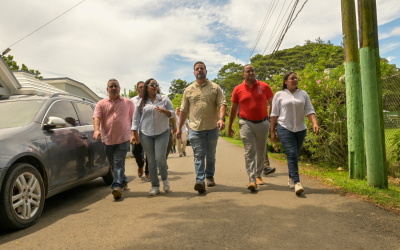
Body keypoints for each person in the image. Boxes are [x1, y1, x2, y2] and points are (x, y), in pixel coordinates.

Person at [176, 61, 227, 193]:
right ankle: (200, 180)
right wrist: (178, 128)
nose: (199, 70)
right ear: (194, 72)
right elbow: (183, 110)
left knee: (210, 155)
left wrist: (221, 119)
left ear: (206, 71)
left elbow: (222, 103)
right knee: (199, 155)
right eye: (197, 69)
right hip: (195, 129)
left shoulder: (215, 87)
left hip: (212, 128)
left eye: (202, 68)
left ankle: (209, 176)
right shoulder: (188, 90)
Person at [270, 71, 319, 195]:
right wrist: (272, 132)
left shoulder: (303, 94)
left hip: (301, 129)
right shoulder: (279, 94)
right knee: (292, 154)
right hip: (284, 127)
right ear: (285, 81)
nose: (295, 80)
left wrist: (314, 123)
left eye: (296, 78)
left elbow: (309, 110)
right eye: (292, 78)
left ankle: (291, 177)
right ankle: (297, 182)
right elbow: (274, 114)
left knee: (294, 155)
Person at [228, 64, 274, 191]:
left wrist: (273, 120)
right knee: (249, 151)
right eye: (248, 71)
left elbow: (273, 103)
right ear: (243, 74)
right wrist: (229, 126)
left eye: (252, 70)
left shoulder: (264, 86)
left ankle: (258, 174)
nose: (251, 73)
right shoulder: (238, 89)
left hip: (263, 123)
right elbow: (233, 109)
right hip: (246, 123)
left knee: (261, 150)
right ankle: (252, 179)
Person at [131, 78, 175, 196]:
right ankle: (155, 186)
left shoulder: (164, 99)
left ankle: (165, 179)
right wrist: (134, 133)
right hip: (146, 134)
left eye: (156, 85)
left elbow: (173, 113)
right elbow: (135, 120)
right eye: (152, 85)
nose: (154, 86)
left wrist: (165, 111)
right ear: (146, 88)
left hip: (162, 132)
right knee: (151, 161)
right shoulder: (141, 102)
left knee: (160, 158)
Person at [93, 78, 135, 200]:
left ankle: (117, 186)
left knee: (118, 163)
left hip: (123, 138)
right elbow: (96, 117)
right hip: (107, 139)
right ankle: (124, 180)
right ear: (107, 89)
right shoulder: (101, 103)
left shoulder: (128, 103)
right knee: (113, 164)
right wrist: (97, 130)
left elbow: (134, 119)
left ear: (119, 88)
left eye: (115, 86)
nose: (113, 88)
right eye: (111, 86)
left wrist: (134, 134)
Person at [131, 81, 150, 181]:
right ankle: (140, 164)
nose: (142, 88)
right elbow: (130, 117)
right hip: (137, 131)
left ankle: (148, 172)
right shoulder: (132, 101)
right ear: (137, 89)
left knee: (150, 153)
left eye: (144, 87)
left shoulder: (150, 99)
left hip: (149, 131)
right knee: (135, 151)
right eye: (140, 87)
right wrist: (132, 132)